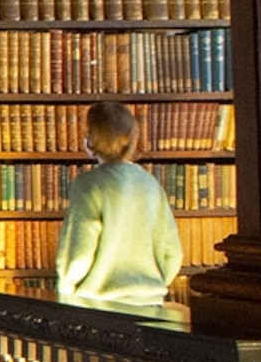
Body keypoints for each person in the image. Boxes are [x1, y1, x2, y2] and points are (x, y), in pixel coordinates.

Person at [53, 98, 188, 307]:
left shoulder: (89, 185)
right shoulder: (150, 183)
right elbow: (173, 254)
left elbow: (78, 255)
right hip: (150, 306)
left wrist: (66, 293)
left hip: (99, 307)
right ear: (133, 137)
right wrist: (152, 286)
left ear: (90, 141)